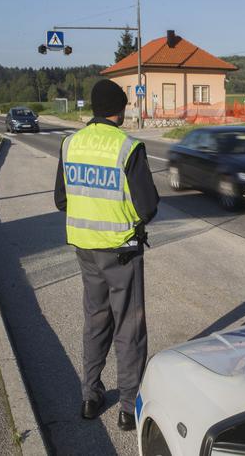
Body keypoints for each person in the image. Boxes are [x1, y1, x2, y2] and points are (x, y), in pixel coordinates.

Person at [54, 79, 159, 430]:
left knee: (96, 319)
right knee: (128, 324)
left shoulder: (70, 144)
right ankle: (129, 408)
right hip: (122, 251)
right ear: (121, 109)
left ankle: (90, 396)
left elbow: (61, 200)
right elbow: (147, 207)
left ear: (95, 110)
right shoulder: (127, 147)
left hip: (85, 248)